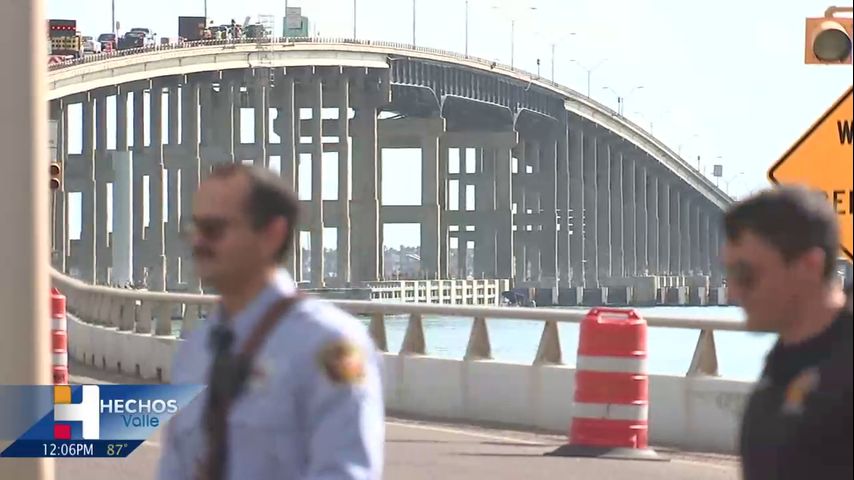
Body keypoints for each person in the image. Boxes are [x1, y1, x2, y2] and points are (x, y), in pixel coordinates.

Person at [157, 163, 384, 480]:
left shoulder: (328, 343)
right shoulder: (196, 349)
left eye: (214, 230)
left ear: (272, 234)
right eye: (193, 229)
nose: (198, 243)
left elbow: (344, 471)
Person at [722, 185, 852, 480]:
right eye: (729, 274)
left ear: (809, 265)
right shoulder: (780, 369)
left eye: (746, 274)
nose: (733, 292)